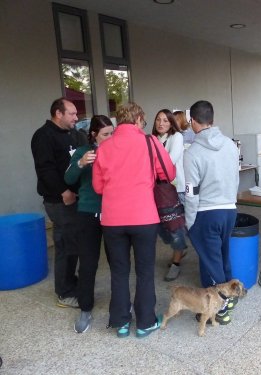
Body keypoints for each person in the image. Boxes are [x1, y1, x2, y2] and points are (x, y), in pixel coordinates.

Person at [92, 102, 176, 338]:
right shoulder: (150, 142)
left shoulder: (104, 147)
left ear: (119, 120)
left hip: (112, 220)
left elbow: (98, 186)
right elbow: (169, 174)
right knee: (145, 271)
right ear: (139, 118)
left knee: (118, 271)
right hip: (143, 217)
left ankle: (120, 322)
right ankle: (145, 322)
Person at [184, 100, 239, 324]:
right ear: (212, 120)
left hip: (206, 212)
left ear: (192, 122)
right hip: (229, 210)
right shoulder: (230, 145)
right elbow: (235, 179)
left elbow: (191, 193)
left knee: (212, 262)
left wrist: (189, 221)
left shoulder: (192, 152)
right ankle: (226, 298)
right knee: (220, 257)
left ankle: (222, 308)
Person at [31, 97, 87, 308]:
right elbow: (45, 169)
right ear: (58, 114)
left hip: (76, 198)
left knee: (74, 243)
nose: (76, 117)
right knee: (65, 245)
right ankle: (64, 293)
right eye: (72, 113)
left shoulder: (73, 134)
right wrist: (64, 191)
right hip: (59, 200)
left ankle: (72, 282)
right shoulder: (43, 136)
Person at [64, 115, 114, 333]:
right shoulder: (84, 151)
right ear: (94, 134)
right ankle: (85, 308)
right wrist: (81, 163)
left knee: (117, 262)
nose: (110, 137)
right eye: (105, 134)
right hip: (87, 212)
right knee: (88, 263)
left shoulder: (117, 149)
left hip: (114, 213)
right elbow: (68, 178)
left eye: (112, 133)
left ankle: (120, 305)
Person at [152, 109, 188, 281]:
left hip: (175, 188)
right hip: (158, 190)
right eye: (158, 120)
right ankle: (179, 249)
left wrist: (151, 165)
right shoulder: (154, 139)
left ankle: (176, 262)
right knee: (162, 226)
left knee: (175, 226)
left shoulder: (177, 137)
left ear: (172, 122)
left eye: (166, 120)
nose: (161, 123)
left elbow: (170, 161)